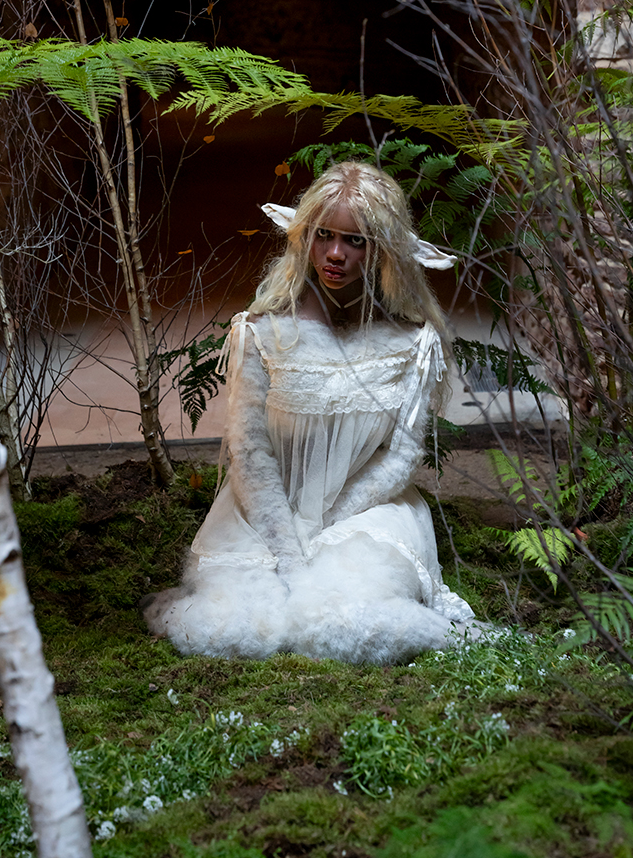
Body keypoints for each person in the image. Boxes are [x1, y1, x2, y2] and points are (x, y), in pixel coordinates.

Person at [142, 162, 479, 664]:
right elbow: (250, 453)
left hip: (368, 512)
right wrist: (289, 551)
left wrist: (329, 526)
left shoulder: (412, 343)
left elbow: (400, 456)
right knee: (233, 627)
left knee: (345, 620)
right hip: (262, 516)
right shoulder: (261, 333)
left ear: (382, 249)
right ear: (305, 237)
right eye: (324, 235)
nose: (335, 254)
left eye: (355, 241)